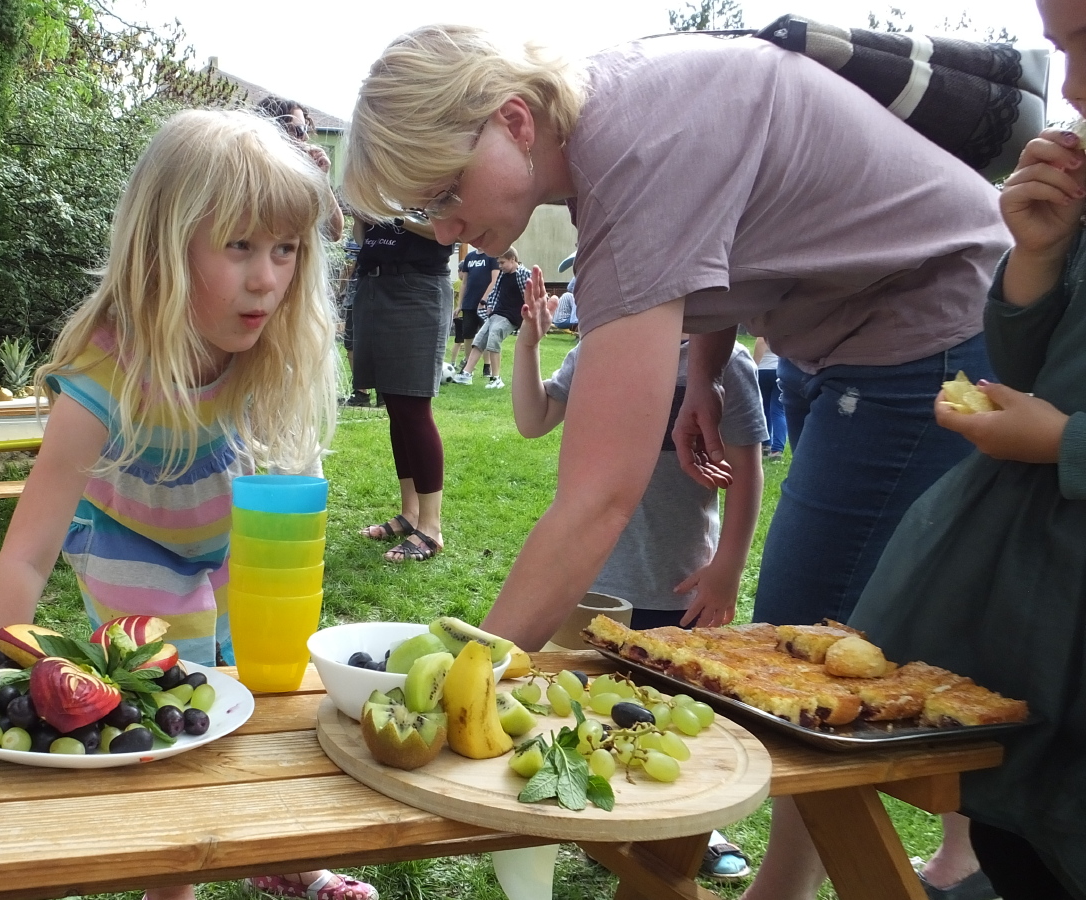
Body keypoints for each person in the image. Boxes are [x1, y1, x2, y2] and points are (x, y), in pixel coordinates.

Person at [341, 25, 1006, 900]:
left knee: (794, 651)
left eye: (443, 192)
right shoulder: (619, 111)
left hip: (930, 331)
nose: (444, 230)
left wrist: (465, 679)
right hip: (848, 338)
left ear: (514, 120)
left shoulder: (632, 157)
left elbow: (599, 496)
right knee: (797, 641)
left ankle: (792, 888)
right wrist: (705, 371)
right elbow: (738, 226)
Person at [0, 110, 373, 900]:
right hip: (130, 542)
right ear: (163, 249)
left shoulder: (265, 348)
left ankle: (278, 852)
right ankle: (172, 882)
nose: (267, 278)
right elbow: (26, 555)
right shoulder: (103, 378)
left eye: (285, 249)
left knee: (259, 689)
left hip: (223, 535)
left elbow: (288, 486)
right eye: (239, 246)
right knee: (169, 706)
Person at [845, 9, 1086, 892]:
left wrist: (1066, 441)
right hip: (1041, 594)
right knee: (1013, 821)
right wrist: (1040, 256)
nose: (1075, 86)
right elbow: (1037, 366)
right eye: (1062, 50)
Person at [513, 286, 765, 881]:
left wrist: (728, 567)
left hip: (676, 582)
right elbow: (534, 419)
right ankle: (605, 806)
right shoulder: (599, 349)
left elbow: (747, 470)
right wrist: (528, 345)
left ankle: (692, 825)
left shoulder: (725, 363)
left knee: (676, 708)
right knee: (594, 702)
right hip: (594, 581)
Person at [349, 217, 454, 562]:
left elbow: (448, 229)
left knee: (412, 407)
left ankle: (431, 528)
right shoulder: (375, 184)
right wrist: (364, 213)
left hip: (417, 287)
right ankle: (411, 514)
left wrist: (391, 213)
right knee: (395, 403)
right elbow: (363, 237)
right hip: (374, 284)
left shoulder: (430, 181)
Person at [257, 95, 344, 242]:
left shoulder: (304, 179)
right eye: (298, 130)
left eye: (305, 129)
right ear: (274, 130)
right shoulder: (252, 179)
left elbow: (334, 233)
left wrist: (321, 179)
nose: (305, 137)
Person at [456, 246, 529, 388]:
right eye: (498, 263)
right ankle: (466, 374)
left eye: (502, 262)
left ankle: (496, 378)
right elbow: (495, 291)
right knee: (479, 339)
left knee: (494, 337)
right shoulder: (503, 275)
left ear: (512, 259)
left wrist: (528, 316)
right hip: (497, 313)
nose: (499, 266)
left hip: (511, 316)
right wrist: (488, 304)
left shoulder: (524, 274)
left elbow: (531, 295)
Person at [448, 245, 497, 370]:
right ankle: (468, 366)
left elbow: (494, 280)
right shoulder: (469, 257)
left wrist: (484, 299)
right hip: (469, 303)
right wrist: (460, 305)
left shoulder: (491, 256)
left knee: (486, 334)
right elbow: (464, 282)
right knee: (467, 334)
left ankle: (487, 366)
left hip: (485, 304)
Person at [752, 336, 786, 459]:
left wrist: (753, 365)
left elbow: (762, 341)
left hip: (765, 370)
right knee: (778, 410)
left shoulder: (767, 327)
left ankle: (766, 444)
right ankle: (776, 448)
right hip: (781, 370)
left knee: (765, 408)